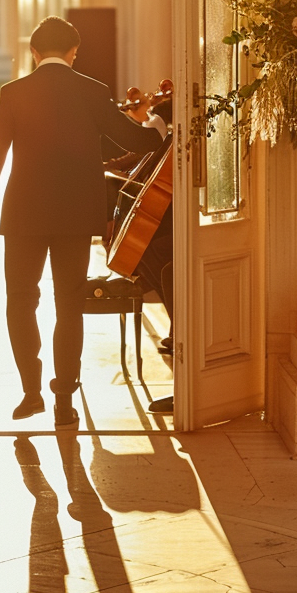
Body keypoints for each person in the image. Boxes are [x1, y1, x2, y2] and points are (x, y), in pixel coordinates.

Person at [0, 16, 161, 430]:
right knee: (69, 303)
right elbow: (128, 138)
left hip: (23, 212)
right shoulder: (92, 91)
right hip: (75, 213)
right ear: (74, 53)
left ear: (33, 52)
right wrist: (158, 129)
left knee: (20, 300)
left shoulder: (13, 92)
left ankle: (31, 390)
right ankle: (64, 400)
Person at [105, 79, 176, 415]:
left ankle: (181, 340)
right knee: (152, 252)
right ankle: (177, 328)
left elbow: (149, 151)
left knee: (162, 259)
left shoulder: (171, 124)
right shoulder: (169, 126)